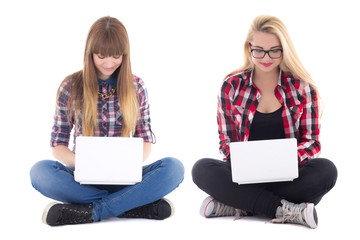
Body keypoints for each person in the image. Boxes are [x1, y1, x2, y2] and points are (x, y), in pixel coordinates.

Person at [30, 16, 184, 226]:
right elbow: (58, 145)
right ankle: (130, 205)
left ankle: (92, 211)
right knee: (40, 171)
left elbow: (145, 140)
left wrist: (124, 165)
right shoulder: (70, 87)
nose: (109, 63)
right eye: (101, 56)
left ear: (125, 55)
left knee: (174, 168)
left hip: (125, 179)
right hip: (83, 179)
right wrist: (88, 165)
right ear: (90, 53)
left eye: (116, 56)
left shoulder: (136, 87)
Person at [191, 15, 337, 229]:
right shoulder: (231, 86)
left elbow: (311, 141)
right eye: (258, 50)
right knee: (201, 169)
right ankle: (285, 209)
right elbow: (226, 140)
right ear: (248, 48)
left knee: (326, 170)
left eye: (274, 50)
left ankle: (237, 203)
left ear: (284, 49)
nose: (265, 57)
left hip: (289, 177)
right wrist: (245, 162)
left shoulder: (302, 88)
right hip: (244, 177)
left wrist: (286, 160)